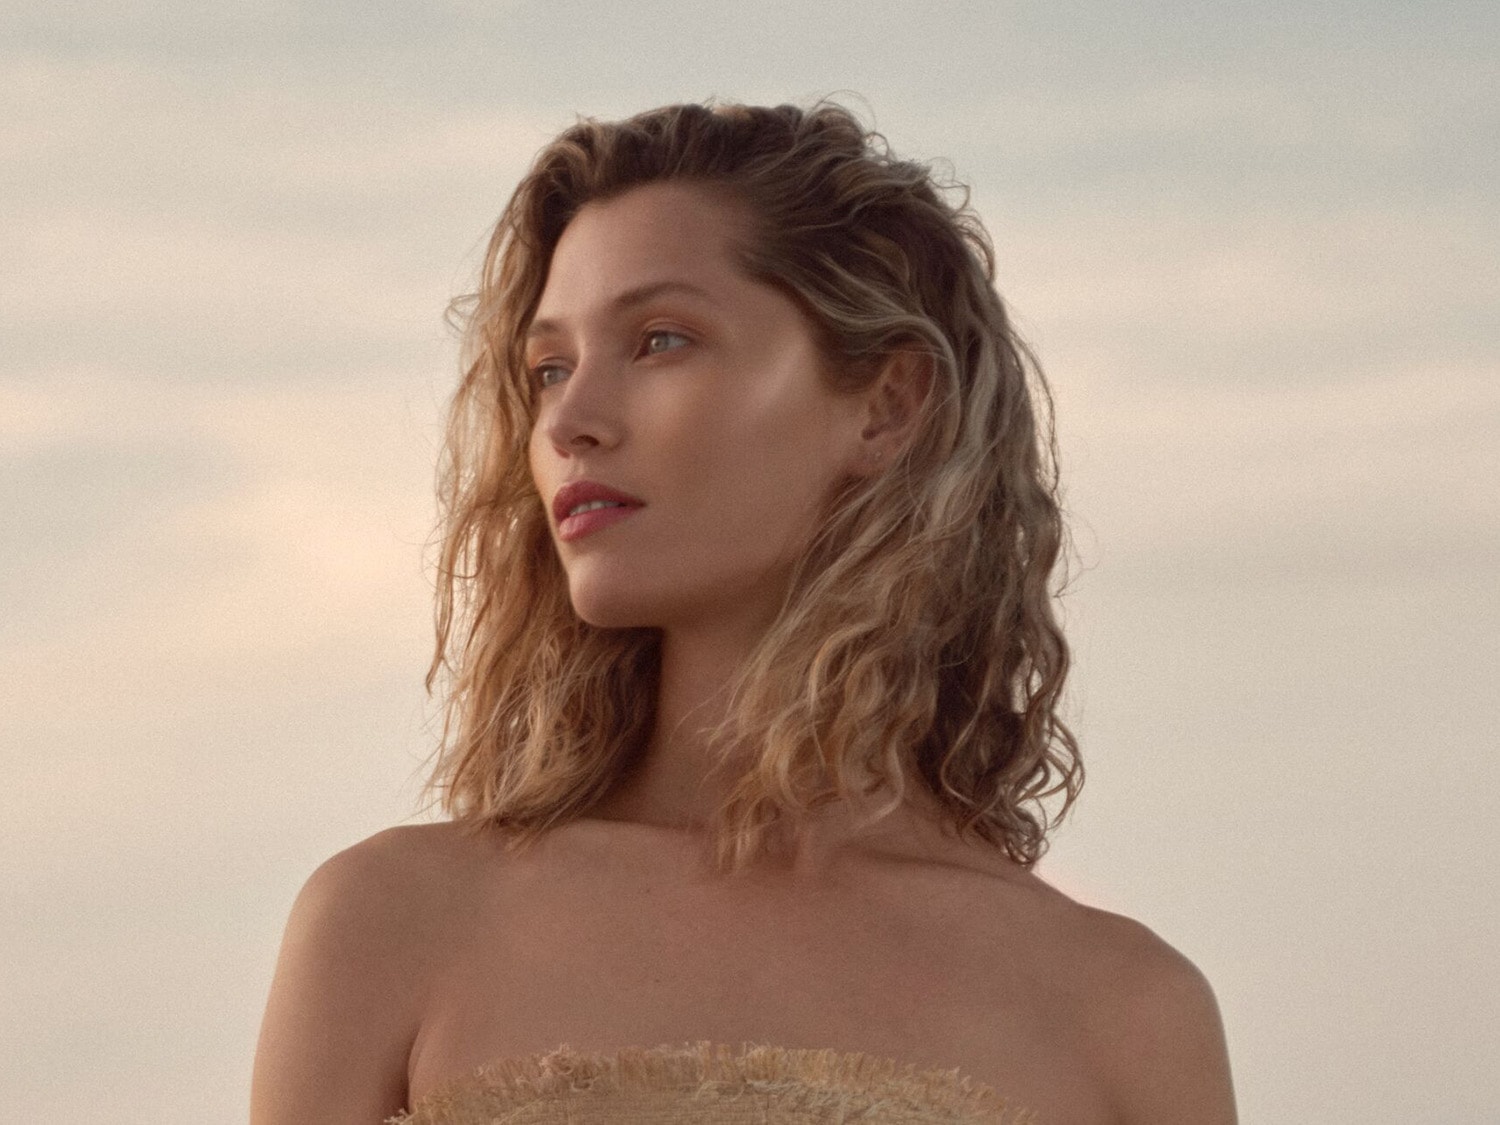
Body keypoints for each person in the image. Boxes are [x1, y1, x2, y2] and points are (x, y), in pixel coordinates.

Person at [251, 100, 1237, 1124]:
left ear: (887, 403)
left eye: (660, 339)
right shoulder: (394, 924)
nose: (572, 422)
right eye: (549, 368)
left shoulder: (1120, 1013)